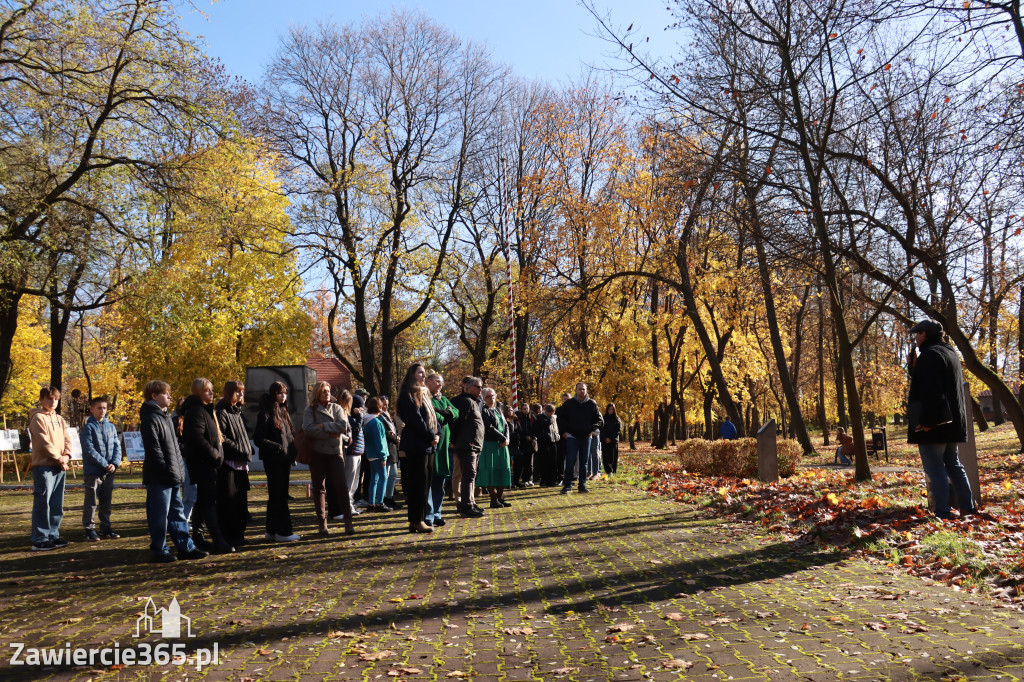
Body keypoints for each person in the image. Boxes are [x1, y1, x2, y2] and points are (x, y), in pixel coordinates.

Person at [907, 318, 977, 520]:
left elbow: (931, 392)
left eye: (917, 334)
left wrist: (927, 422)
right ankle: (967, 508)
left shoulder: (930, 355)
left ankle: (943, 513)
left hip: (935, 424)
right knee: (954, 464)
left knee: (935, 468)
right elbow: (938, 384)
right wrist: (914, 368)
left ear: (924, 334)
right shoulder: (949, 353)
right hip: (952, 422)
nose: (916, 338)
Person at [139, 380, 208, 562]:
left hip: (172, 475)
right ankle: (159, 550)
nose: (170, 396)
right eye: (165, 393)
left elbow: (175, 448)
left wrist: (179, 471)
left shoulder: (165, 417)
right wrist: (169, 471)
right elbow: (155, 452)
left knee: (177, 513)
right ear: (154, 396)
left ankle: (186, 547)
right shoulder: (150, 419)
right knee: (159, 515)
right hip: (159, 477)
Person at [181, 378, 233, 554]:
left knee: (203, 501)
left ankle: (198, 536)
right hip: (203, 464)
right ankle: (218, 540)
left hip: (209, 464)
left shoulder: (204, 410)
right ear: (198, 392)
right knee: (209, 502)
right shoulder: (196, 411)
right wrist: (214, 454)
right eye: (206, 391)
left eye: (211, 390)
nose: (211, 393)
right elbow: (196, 438)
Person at [303, 381, 354, 535]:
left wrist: (322, 427)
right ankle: (322, 524)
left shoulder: (337, 408)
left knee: (342, 487)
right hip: (317, 453)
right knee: (319, 488)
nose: (327, 393)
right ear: (317, 393)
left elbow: (342, 426)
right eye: (324, 391)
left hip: (335, 453)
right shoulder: (309, 410)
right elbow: (308, 430)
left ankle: (348, 522)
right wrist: (331, 431)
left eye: (328, 390)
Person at [397, 363, 440, 533]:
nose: (424, 375)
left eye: (424, 373)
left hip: (428, 446)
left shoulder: (425, 394)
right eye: (420, 373)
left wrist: (437, 435)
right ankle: (416, 520)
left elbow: (433, 418)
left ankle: (420, 518)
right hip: (416, 445)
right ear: (412, 374)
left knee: (426, 485)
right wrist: (431, 436)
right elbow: (415, 420)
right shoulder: (406, 395)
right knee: (417, 485)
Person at [254, 381, 299, 542]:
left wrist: (292, 450)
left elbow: (288, 436)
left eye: (285, 392)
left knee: (276, 496)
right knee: (279, 495)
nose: (283, 395)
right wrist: (278, 448)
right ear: (274, 394)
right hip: (274, 460)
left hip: (283, 460)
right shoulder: (266, 413)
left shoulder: (283, 412)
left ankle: (271, 530)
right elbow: (258, 438)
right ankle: (283, 531)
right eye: (280, 393)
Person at [28, 385, 72, 551]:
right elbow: (43, 442)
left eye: (55, 398)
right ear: (42, 400)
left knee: (56, 503)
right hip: (44, 467)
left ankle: (53, 535)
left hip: (60, 466)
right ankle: (40, 538)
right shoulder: (38, 418)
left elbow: (68, 440)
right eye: (49, 398)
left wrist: (66, 456)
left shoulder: (60, 419)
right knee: (43, 503)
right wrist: (59, 458)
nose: (53, 401)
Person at [80, 395, 122, 541]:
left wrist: (114, 463)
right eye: (99, 408)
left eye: (104, 408)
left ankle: (106, 527)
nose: (102, 410)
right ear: (92, 409)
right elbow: (89, 450)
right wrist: (104, 464)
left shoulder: (111, 427)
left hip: (109, 472)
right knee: (91, 501)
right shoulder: (88, 428)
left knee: (106, 501)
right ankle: (89, 528)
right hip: (93, 472)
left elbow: (117, 446)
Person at [215, 381, 252, 546]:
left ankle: (239, 535)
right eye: (237, 392)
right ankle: (228, 536)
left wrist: (247, 450)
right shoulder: (221, 412)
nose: (241, 395)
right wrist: (240, 449)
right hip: (228, 464)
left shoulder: (238, 413)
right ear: (229, 393)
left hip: (241, 463)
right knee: (229, 502)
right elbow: (221, 437)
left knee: (241, 502)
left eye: (242, 392)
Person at [559, 383, 603, 494]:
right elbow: (561, 418)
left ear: (586, 390)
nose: (582, 391)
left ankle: (582, 485)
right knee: (570, 461)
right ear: (576, 390)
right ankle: (567, 485)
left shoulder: (592, 404)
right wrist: (563, 431)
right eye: (580, 389)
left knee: (584, 463)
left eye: (583, 389)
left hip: (586, 437)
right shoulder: (569, 403)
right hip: (572, 436)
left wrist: (592, 428)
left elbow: (599, 419)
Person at [450, 376, 485, 518]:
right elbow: (456, 422)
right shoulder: (465, 401)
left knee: (471, 475)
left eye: (481, 386)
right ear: (468, 387)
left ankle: (470, 502)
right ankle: (466, 506)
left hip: (473, 444)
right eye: (478, 386)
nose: (480, 389)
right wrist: (454, 440)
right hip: (467, 444)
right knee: (468, 475)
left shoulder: (473, 401)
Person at [427, 373, 458, 527]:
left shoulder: (444, 399)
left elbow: (456, 413)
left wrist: (445, 412)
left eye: (441, 382)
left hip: (444, 446)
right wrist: (445, 413)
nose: (440, 384)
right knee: (429, 480)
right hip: (432, 444)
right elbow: (433, 417)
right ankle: (429, 514)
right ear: (429, 382)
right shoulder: (425, 398)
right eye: (437, 381)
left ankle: (437, 513)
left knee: (440, 482)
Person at [478, 393, 513, 507]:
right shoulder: (484, 410)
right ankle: (493, 499)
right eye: (488, 396)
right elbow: (489, 427)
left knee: (503, 469)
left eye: (493, 396)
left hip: (502, 445)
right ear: (484, 398)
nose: (491, 398)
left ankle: (500, 498)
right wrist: (502, 438)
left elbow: (506, 425)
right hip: (490, 444)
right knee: (490, 471)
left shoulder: (498, 409)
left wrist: (506, 438)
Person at [362, 397, 390, 512]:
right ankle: (380, 503)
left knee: (374, 479)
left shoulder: (366, 421)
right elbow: (379, 441)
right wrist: (383, 456)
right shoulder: (376, 422)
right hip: (378, 454)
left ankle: (371, 502)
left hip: (370, 454)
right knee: (383, 478)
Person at [378, 396, 402, 510]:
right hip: (386, 448)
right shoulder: (379, 417)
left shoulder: (387, 415)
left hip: (393, 449)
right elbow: (386, 432)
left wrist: (396, 436)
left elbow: (393, 430)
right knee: (386, 475)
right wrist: (395, 438)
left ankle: (389, 496)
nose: (386, 406)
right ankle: (383, 498)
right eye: (384, 404)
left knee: (393, 475)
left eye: (387, 404)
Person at [344, 394, 366, 516]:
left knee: (355, 482)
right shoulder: (350, 417)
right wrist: (359, 416)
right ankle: (347, 505)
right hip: (351, 453)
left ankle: (352, 503)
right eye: (360, 407)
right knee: (350, 482)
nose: (362, 410)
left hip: (358, 453)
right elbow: (356, 430)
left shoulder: (357, 417)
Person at [533, 403, 559, 486]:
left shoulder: (552, 418)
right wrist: (553, 418)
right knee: (544, 462)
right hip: (544, 442)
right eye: (550, 413)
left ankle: (552, 481)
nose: (551, 414)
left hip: (553, 441)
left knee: (553, 462)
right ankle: (544, 480)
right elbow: (547, 423)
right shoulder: (540, 417)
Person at [514, 406, 536, 487]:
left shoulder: (532, 418)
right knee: (522, 463)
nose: (526, 410)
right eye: (524, 409)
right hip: (522, 443)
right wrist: (524, 437)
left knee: (530, 463)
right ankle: (523, 479)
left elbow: (535, 429)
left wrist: (533, 438)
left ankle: (529, 478)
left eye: (527, 408)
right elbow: (518, 430)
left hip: (531, 443)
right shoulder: (519, 418)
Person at [601, 403, 621, 475]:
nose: (611, 410)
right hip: (605, 440)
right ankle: (608, 471)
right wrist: (605, 438)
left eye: (612, 409)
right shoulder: (603, 419)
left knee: (613, 457)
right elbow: (601, 430)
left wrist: (611, 438)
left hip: (613, 441)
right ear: (607, 409)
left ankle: (613, 471)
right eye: (609, 409)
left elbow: (618, 431)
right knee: (605, 457)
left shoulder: (617, 419)